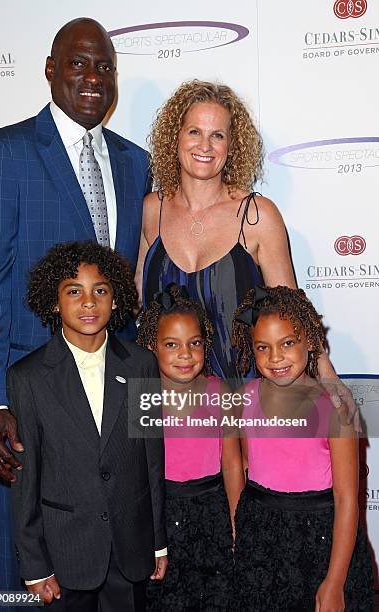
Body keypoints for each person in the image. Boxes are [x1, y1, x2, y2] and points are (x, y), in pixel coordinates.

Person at [0, 17, 150, 597]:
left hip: (118, 403)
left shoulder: (135, 162)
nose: (93, 77)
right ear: (50, 69)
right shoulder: (4, 151)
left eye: (104, 66)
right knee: (36, 572)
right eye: (78, 63)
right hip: (35, 405)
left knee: (119, 563)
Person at [136, 79, 355, 399]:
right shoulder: (150, 211)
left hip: (243, 402)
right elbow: (136, 304)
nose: (205, 146)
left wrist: (328, 376)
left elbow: (291, 312)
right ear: (175, 137)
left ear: (232, 145)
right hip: (167, 405)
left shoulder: (257, 216)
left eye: (218, 135)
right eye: (194, 131)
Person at [7, 240, 167, 611]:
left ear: (117, 298)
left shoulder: (141, 364)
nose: (89, 302)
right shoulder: (28, 377)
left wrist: (157, 540)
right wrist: (34, 566)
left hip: (130, 548)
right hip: (65, 555)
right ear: (54, 301)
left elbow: (151, 460)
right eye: (74, 291)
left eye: (101, 290)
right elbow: (26, 479)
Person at [231, 285, 374, 611]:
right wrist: (242, 536)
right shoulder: (245, 398)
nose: (275, 357)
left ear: (310, 341)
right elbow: (245, 467)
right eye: (262, 348)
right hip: (262, 539)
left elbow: (346, 498)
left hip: (320, 541)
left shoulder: (334, 409)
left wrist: (335, 581)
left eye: (287, 344)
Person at [137, 283, 244, 611]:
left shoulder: (220, 391)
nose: (185, 354)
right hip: (158, 517)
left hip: (211, 516)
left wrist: (237, 528)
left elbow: (232, 466)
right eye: (172, 344)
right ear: (152, 347)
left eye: (194, 343)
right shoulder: (142, 397)